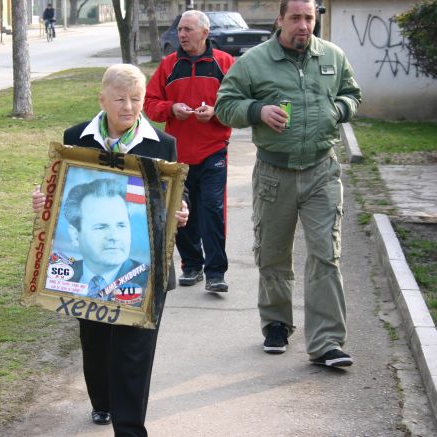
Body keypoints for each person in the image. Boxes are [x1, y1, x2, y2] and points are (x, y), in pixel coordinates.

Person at [32, 64, 189, 436]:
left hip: (146, 267)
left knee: (135, 348)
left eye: (136, 99)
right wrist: (45, 201)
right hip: (91, 270)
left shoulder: (162, 143)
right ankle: (102, 400)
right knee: (96, 340)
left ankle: (130, 427)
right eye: (120, 99)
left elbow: (179, 192)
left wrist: (182, 210)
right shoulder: (76, 138)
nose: (129, 107)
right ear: (102, 99)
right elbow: (62, 191)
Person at [215, 0, 362, 367]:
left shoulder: (332, 56)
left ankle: (327, 342)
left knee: (326, 254)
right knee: (273, 254)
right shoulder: (254, 61)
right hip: (274, 174)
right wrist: (257, 110)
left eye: (308, 17)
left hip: (321, 170)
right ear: (280, 20)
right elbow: (225, 105)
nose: (303, 25)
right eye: (295, 18)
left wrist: (338, 109)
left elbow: (352, 94)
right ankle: (277, 323)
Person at [144, 10, 234, 293]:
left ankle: (216, 273)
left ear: (205, 33)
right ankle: (192, 265)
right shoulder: (168, 64)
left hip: (213, 151)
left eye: (188, 30)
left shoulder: (225, 63)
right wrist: (171, 108)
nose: (181, 35)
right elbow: (149, 103)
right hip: (178, 154)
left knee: (212, 209)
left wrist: (217, 112)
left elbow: (238, 103)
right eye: (180, 29)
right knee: (181, 211)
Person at [62, 178, 149, 301]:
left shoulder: (149, 280)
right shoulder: (56, 276)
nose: (114, 237)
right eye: (101, 227)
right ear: (75, 236)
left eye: (121, 225)